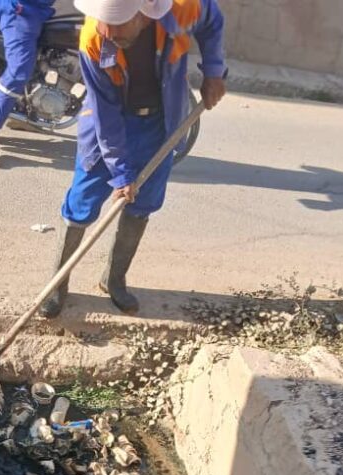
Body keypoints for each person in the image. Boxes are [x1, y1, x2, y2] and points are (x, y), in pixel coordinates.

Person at [40, 0, 226, 315]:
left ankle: (113, 279)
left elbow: (213, 21)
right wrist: (121, 174)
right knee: (82, 202)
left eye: (116, 22)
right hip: (108, 127)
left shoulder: (182, 8)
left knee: (143, 204)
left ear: (143, 13)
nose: (108, 31)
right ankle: (57, 284)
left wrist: (214, 71)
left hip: (159, 124)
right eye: (103, 20)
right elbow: (106, 116)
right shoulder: (94, 38)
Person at [0, 0, 55, 166]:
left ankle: (22, 110)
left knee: (46, 54)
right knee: (19, 69)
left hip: (38, 8)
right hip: (19, 9)